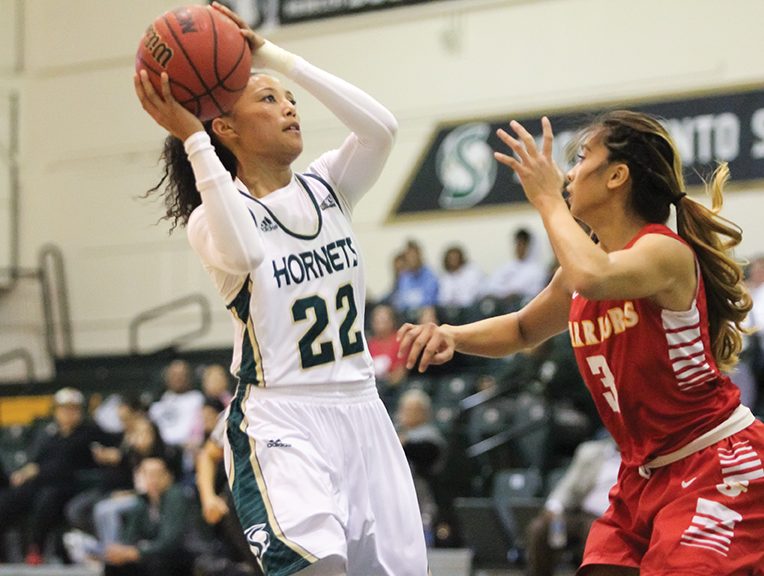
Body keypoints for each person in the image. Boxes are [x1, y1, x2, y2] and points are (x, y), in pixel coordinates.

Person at [398, 111, 764, 574]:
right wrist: (451, 334)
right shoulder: (578, 270)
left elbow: (595, 278)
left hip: (713, 463)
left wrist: (548, 200)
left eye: (581, 157)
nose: (569, 172)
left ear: (617, 175)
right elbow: (522, 330)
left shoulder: (662, 250)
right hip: (643, 474)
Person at [134, 4, 428, 576]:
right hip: (282, 421)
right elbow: (246, 252)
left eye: (285, 97)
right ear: (225, 125)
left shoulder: (327, 187)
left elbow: (381, 127)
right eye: (267, 99)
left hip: (365, 411)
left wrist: (275, 58)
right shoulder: (214, 218)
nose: (289, 105)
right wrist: (193, 139)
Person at [0, 387, 110, 565]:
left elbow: (74, 462)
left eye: (73, 408)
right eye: (64, 408)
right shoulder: (49, 434)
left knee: (47, 499)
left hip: (68, 484)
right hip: (40, 481)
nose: (68, 413)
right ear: (56, 410)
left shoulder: (88, 432)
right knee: (8, 499)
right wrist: (26, 471)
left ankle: (36, 550)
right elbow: (36, 460)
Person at [525, 434, 620, 576]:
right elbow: (568, 487)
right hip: (580, 514)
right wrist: (553, 508)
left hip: (611, 519)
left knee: (594, 533)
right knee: (541, 528)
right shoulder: (591, 452)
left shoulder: (644, 457)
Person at [102, 456, 192, 576]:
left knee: (156, 562)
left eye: (157, 474)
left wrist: (137, 552)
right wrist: (121, 550)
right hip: (154, 552)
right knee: (114, 563)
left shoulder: (175, 496)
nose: (152, 479)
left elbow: (170, 541)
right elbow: (129, 535)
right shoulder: (142, 501)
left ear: (168, 476)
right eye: (147, 474)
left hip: (182, 553)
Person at [482, 228, 547, 306]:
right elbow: (491, 285)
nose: (519, 248)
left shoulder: (537, 270)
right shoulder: (507, 266)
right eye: (517, 244)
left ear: (529, 246)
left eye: (522, 244)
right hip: (500, 304)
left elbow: (534, 292)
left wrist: (516, 294)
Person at [437, 244, 484, 309]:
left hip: (473, 306)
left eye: (456, 258)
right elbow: (444, 299)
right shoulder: (445, 277)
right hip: (452, 309)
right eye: (451, 258)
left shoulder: (472, 271)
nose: (453, 261)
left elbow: (472, 296)